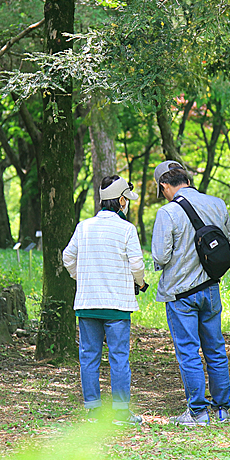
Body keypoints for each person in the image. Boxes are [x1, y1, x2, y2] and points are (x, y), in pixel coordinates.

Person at [151, 160, 230, 426]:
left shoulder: (167, 213)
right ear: (186, 179)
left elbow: (161, 256)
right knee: (216, 349)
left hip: (181, 294)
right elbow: (227, 244)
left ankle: (197, 413)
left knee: (188, 351)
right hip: (211, 289)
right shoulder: (217, 204)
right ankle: (222, 410)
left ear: (165, 185)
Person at [62, 175, 147, 425]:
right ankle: (121, 412)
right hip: (117, 305)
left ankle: (94, 412)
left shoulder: (83, 227)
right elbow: (137, 264)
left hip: (88, 303)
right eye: (126, 200)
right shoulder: (127, 229)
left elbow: (68, 257)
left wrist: (82, 277)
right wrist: (140, 283)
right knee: (119, 357)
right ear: (121, 200)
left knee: (89, 356)